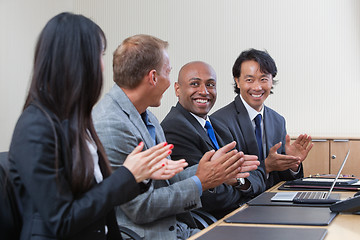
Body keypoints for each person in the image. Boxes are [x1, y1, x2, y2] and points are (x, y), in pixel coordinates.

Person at [8, 12, 186, 240]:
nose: (103, 66)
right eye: (99, 54)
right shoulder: (35, 126)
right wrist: (128, 175)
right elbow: (61, 220)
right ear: (78, 60)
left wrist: (142, 175)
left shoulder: (77, 120)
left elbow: (98, 195)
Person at [92, 35, 247, 240]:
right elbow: (140, 208)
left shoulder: (148, 117)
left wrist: (210, 170)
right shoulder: (111, 124)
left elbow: (167, 178)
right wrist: (201, 181)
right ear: (153, 77)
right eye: (168, 72)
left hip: (176, 228)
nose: (169, 81)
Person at [161, 61, 260, 218]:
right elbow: (209, 197)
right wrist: (241, 189)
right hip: (212, 224)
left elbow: (256, 174)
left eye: (210, 84)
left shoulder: (218, 125)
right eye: (195, 84)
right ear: (177, 89)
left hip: (239, 214)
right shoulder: (174, 128)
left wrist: (236, 182)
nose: (204, 91)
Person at [211, 48, 313, 195]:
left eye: (263, 79)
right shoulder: (220, 121)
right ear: (237, 81)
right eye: (249, 80)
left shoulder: (278, 120)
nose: (257, 87)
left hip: (274, 201)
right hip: (240, 204)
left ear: (272, 81)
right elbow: (229, 179)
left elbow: (283, 179)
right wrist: (266, 166)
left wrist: (292, 164)